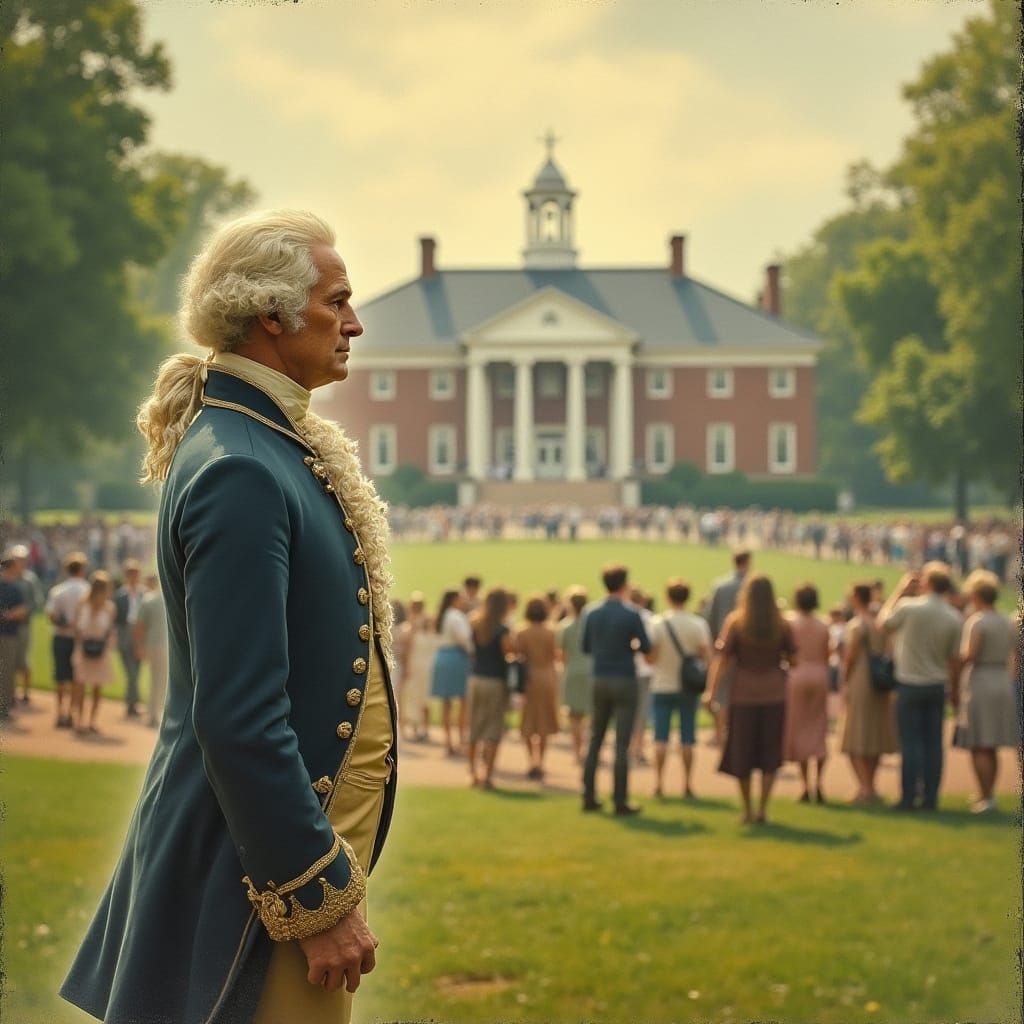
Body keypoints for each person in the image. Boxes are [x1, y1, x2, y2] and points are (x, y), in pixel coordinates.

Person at [63, 210, 394, 1024]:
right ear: (270, 314)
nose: (354, 323)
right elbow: (240, 717)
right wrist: (315, 895)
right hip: (258, 877)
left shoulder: (260, 444)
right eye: (336, 300)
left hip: (271, 858)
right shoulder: (242, 467)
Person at [705, 574, 795, 825]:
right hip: (774, 693)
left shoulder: (736, 622)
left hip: (743, 694)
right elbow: (794, 658)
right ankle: (763, 808)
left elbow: (722, 660)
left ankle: (747, 809)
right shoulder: (782, 624)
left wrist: (711, 692)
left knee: (742, 752)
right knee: (769, 753)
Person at [877, 563, 962, 812]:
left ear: (927, 583)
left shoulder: (909, 607)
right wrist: (954, 689)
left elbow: (883, 623)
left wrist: (899, 591)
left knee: (911, 743)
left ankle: (908, 796)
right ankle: (930, 797)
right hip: (936, 684)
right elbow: (953, 658)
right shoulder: (953, 616)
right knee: (934, 744)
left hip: (910, 683)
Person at [581, 564, 651, 815]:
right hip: (624, 679)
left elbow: (586, 647)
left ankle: (588, 795)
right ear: (624, 584)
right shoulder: (631, 614)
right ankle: (620, 799)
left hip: (600, 677)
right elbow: (645, 646)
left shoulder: (591, 612)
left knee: (595, 739)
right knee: (622, 744)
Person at [953, 570, 1019, 813]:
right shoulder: (1006, 620)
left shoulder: (978, 621)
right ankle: (987, 793)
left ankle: (986, 794)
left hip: (982, 679)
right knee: (990, 742)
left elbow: (970, 655)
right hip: (1001, 678)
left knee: (980, 741)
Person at [647, 579, 711, 799]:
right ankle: (687, 784)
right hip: (688, 687)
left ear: (667, 597)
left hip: (662, 685)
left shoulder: (656, 624)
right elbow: (705, 657)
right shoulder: (697, 624)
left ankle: (659, 784)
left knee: (660, 738)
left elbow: (651, 658)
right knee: (687, 738)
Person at [839, 583, 899, 804]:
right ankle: (870, 785)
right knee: (874, 735)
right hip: (879, 682)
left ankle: (865, 788)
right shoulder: (879, 623)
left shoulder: (857, 625)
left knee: (856, 734)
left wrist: (844, 682)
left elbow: (851, 657)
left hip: (861, 679)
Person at [782, 584, 831, 803]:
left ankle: (805, 785)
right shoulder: (823, 624)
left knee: (799, 729)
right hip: (819, 673)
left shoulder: (790, 623)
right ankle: (819, 782)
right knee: (818, 727)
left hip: (796, 675)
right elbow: (827, 653)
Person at [467, 587, 515, 789]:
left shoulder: (476, 624)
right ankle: (487, 775)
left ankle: (473, 774)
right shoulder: (502, 629)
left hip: (477, 679)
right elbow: (508, 654)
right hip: (495, 681)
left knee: (475, 727)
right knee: (493, 730)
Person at [704, 550, 752, 746]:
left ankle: (720, 734)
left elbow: (710, 616)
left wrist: (715, 643)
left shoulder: (720, 586)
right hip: (749, 649)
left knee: (721, 693)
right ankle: (740, 734)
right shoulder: (753, 585)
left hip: (723, 646)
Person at [517, 595, 561, 781]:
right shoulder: (551, 632)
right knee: (544, 720)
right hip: (546, 676)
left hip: (528, 678)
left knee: (528, 720)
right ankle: (540, 761)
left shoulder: (522, 632)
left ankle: (531, 761)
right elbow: (555, 655)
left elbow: (519, 655)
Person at [45, 552, 91, 729]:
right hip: (79, 639)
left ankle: (60, 713)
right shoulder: (87, 590)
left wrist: (65, 623)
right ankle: (72, 714)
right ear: (82, 570)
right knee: (77, 679)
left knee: (60, 677)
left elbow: (51, 616)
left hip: (61, 636)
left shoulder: (58, 590)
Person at [430, 588, 473, 756]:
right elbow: (464, 639)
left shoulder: (443, 616)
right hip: (456, 657)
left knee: (446, 703)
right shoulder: (456, 616)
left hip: (442, 656)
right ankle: (461, 738)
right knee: (463, 700)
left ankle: (448, 741)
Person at [557, 586, 593, 764]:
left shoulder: (565, 626)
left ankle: (578, 753)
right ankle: (588, 750)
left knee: (574, 717)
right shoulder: (593, 624)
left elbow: (562, 655)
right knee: (589, 715)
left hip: (572, 671)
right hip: (591, 672)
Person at [397, 592, 434, 742]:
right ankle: (410, 728)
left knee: (423, 698)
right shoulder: (408, 627)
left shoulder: (426, 625)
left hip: (422, 665)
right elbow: (407, 649)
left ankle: (423, 727)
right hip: (414, 666)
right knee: (411, 698)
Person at [133, 573, 168, 729]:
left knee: (155, 681)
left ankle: (153, 714)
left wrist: (140, 646)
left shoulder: (148, 599)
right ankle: (160, 714)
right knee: (164, 681)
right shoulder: (172, 597)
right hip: (168, 647)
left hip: (154, 645)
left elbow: (140, 626)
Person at [113, 559, 145, 718]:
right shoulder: (119, 595)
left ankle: (132, 704)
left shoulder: (144, 594)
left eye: (135, 574)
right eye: (130, 574)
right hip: (125, 634)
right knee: (131, 673)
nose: (133, 577)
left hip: (140, 636)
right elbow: (115, 619)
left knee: (136, 673)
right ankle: (131, 703)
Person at [0, 550, 29, 721]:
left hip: (8, 633)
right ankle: (4, 708)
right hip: (8, 635)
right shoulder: (14, 587)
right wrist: (9, 615)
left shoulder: (15, 586)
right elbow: (22, 611)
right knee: (7, 672)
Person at [628, 587, 655, 766]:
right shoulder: (649, 618)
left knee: (630, 710)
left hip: (630, 669)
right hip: (645, 670)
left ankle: (631, 747)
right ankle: (639, 747)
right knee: (642, 711)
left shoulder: (625, 615)